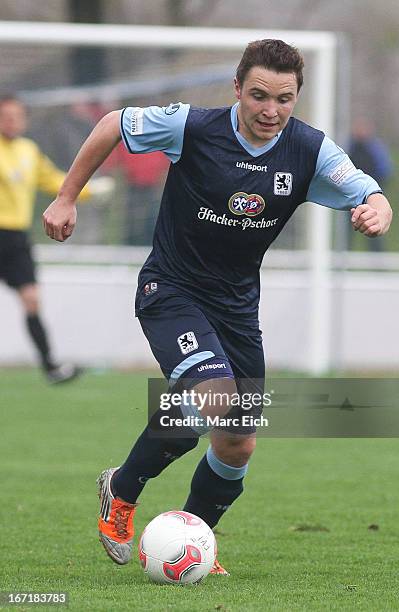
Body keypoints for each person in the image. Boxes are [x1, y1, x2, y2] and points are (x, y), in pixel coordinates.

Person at [42, 40, 392, 573]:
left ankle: (192, 538)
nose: (270, 111)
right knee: (216, 401)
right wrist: (67, 196)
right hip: (172, 290)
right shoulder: (192, 127)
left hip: (236, 310)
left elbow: (368, 191)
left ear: (297, 97)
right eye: (258, 96)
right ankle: (123, 490)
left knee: (237, 444)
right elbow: (114, 123)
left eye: (283, 99)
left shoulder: (309, 150)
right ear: (237, 89)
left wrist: (376, 210)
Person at [0, 94, 113, 383]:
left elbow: (55, 182)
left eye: (15, 116)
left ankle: (51, 368)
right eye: (5, 116)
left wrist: (91, 190)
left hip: (15, 239)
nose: (11, 121)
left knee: (32, 300)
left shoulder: (28, 151)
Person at [346, 118, 393, 251]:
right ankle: (344, 259)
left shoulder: (375, 148)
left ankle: (378, 261)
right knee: (347, 230)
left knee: (374, 229)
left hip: (372, 197)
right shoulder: (351, 147)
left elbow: (385, 169)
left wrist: (376, 191)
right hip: (351, 198)